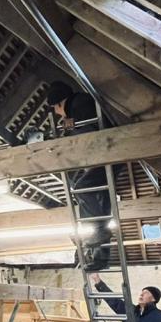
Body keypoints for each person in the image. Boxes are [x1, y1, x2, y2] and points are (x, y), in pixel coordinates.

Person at [46, 81, 112, 270]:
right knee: (97, 205)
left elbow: (89, 128)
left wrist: (69, 127)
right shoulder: (77, 107)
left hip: (108, 153)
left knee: (82, 188)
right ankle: (100, 258)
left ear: (60, 102)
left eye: (55, 108)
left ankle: (99, 231)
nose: (57, 113)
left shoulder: (81, 102)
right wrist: (68, 127)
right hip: (104, 156)